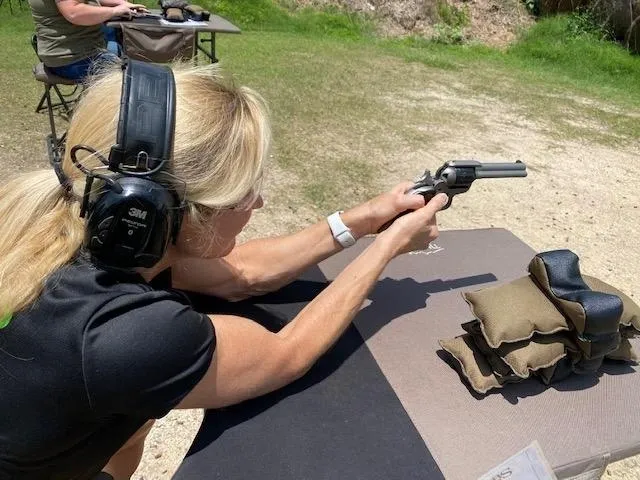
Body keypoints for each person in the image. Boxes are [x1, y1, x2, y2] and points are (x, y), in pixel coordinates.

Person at [0, 62, 448, 480]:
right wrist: (388, 246)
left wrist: (366, 217)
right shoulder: (128, 333)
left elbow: (242, 275)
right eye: (243, 192)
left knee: (135, 422)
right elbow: (287, 353)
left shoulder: (68, 228)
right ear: (179, 214)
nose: (258, 202)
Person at [28, 0, 146, 81]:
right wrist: (115, 11)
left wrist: (120, 3)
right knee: (132, 77)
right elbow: (73, 12)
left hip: (66, 54)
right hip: (73, 58)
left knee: (118, 47)